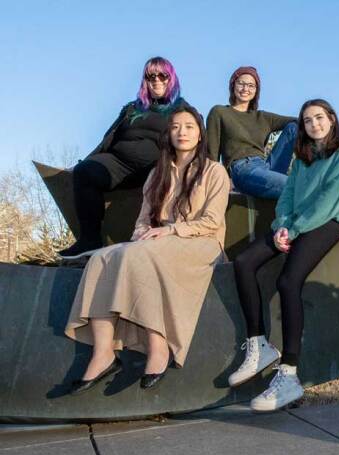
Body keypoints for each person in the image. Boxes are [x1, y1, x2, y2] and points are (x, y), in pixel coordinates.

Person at [64, 105, 230, 393]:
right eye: (176, 127)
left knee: (141, 256)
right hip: (161, 240)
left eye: (189, 126)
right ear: (168, 134)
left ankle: (158, 346)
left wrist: (170, 231)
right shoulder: (157, 174)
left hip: (201, 242)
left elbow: (212, 221)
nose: (182, 132)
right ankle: (103, 353)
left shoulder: (214, 171)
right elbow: (143, 219)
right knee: (101, 258)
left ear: (200, 134)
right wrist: (142, 234)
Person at [230, 99, 339, 412]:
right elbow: (287, 196)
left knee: (289, 281)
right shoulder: (302, 158)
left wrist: (295, 229)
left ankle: (288, 374)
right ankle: (259, 344)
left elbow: (329, 202)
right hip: (295, 225)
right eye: (307, 120)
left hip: (329, 223)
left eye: (319, 117)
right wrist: (281, 226)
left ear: (331, 118)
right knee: (245, 262)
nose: (314, 124)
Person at [59, 56, 187, 259]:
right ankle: (89, 240)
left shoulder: (181, 109)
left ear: (171, 79)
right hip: (119, 162)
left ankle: (151, 243)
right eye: (150, 76)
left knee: (161, 176)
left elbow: (194, 139)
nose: (156, 80)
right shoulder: (132, 108)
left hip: (154, 166)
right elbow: (109, 137)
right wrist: (85, 162)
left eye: (162, 75)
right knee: (86, 172)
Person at [206, 66, 298, 199]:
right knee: (293, 186)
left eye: (251, 85)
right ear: (233, 85)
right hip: (243, 169)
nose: (245, 89)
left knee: (295, 127)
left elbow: (299, 121)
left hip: (267, 166)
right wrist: (218, 182)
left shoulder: (262, 117)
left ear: (256, 91)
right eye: (241, 83)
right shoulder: (219, 112)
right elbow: (212, 153)